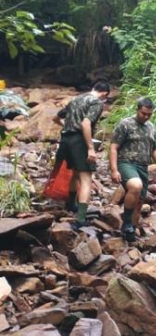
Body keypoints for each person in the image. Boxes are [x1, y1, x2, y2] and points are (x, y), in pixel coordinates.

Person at [51, 81, 111, 229]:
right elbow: (85, 124)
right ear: (104, 94)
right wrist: (90, 148)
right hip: (79, 141)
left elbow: (56, 118)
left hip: (65, 140)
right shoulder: (96, 102)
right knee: (86, 178)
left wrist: (68, 127)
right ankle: (81, 218)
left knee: (75, 173)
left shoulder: (75, 100)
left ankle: (71, 204)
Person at [109, 97, 156, 241]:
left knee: (139, 201)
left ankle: (129, 235)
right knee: (136, 186)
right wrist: (114, 169)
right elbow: (113, 147)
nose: (146, 117)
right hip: (126, 163)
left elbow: (154, 149)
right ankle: (127, 221)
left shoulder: (151, 127)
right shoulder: (125, 124)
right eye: (143, 113)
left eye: (149, 114)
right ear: (137, 110)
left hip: (142, 166)